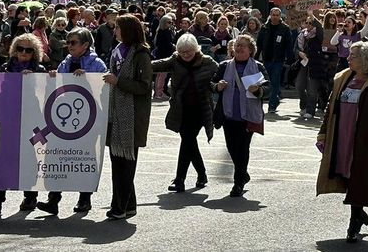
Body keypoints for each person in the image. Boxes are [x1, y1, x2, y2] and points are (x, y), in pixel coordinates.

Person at [316, 41, 368, 244]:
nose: (348, 58)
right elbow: (330, 108)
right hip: (341, 138)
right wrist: (323, 133)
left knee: (359, 179)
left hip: (365, 141)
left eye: (353, 55)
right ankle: (359, 214)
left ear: (365, 59)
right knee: (346, 175)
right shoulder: (343, 78)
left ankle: (354, 222)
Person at [37, 27, 106, 215]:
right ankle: (53, 200)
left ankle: (84, 199)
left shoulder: (97, 64)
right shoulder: (65, 63)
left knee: (85, 157)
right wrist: (53, 77)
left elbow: (104, 89)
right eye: (68, 42)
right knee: (57, 156)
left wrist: (88, 79)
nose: (69, 46)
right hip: (65, 117)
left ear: (85, 45)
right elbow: (57, 86)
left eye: (73, 42)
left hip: (88, 119)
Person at [0, 33, 47, 215]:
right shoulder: (5, 67)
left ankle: (30, 197)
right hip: (7, 118)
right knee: (2, 160)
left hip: (30, 119)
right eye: (20, 48)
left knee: (28, 159)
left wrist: (36, 78)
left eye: (28, 50)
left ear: (34, 53)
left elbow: (45, 91)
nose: (23, 52)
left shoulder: (40, 70)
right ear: (14, 50)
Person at [152, 33, 216, 193]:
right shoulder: (175, 60)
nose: (185, 55)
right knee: (189, 141)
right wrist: (138, 64)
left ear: (196, 49)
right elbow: (156, 65)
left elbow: (220, 75)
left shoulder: (208, 62)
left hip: (201, 109)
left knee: (187, 140)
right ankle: (201, 174)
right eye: (182, 52)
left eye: (188, 51)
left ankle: (180, 179)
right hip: (181, 109)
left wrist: (217, 86)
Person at [103, 14, 152, 219]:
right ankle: (129, 204)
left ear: (128, 31)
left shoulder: (141, 54)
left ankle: (119, 207)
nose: (114, 31)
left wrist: (118, 82)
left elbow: (144, 86)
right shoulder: (117, 50)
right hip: (115, 112)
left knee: (125, 165)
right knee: (118, 164)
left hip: (132, 116)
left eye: (118, 28)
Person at [213, 33, 267, 199]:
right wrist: (217, 86)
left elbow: (269, 89)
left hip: (248, 115)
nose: (239, 48)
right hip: (229, 114)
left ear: (250, 50)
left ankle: (238, 183)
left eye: (243, 45)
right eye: (237, 45)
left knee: (243, 148)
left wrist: (258, 90)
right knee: (231, 147)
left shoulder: (258, 67)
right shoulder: (224, 66)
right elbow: (211, 84)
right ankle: (243, 173)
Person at [295, 15, 331, 121]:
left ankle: (310, 111)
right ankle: (304, 105)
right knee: (299, 85)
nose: (308, 25)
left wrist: (312, 16)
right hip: (303, 63)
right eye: (306, 23)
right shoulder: (301, 35)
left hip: (315, 64)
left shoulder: (318, 34)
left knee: (312, 89)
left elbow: (319, 27)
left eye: (310, 23)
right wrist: (299, 53)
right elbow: (295, 48)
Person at [257, 7, 292, 114]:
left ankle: (272, 105)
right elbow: (259, 44)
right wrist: (256, 57)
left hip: (278, 60)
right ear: (270, 15)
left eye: (277, 15)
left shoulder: (285, 28)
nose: (275, 17)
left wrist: (289, 59)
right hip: (266, 59)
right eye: (273, 15)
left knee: (275, 81)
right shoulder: (264, 28)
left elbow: (288, 45)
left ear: (280, 16)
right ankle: (274, 99)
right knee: (266, 82)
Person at [152, 14, 177, 100]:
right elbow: (166, 44)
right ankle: (159, 92)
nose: (171, 24)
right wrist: (173, 46)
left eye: (171, 22)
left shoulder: (162, 31)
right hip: (163, 55)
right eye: (169, 22)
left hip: (163, 54)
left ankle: (158, 91)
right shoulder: (163, 32)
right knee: (162, 75)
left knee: (161, 75)